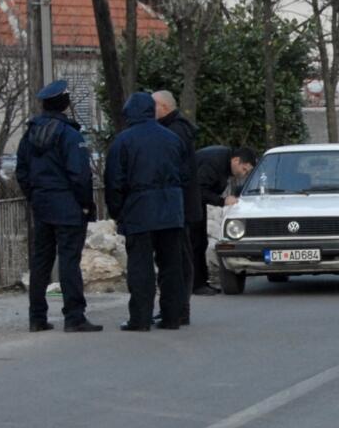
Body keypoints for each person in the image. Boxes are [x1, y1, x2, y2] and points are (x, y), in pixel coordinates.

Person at [16, 80, 103, 333]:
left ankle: (37, 316)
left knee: (41, 261)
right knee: (68, 261)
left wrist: (34, 195)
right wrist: (86, 204)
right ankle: (74, 316)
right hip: (68, 205)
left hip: (42, 205)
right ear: (63, 103)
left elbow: (21, 171)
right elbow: (80, 175)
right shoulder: (70, 134)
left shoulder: (29, 134)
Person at [104, 92, 187, 331]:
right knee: (171, 266)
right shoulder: (172, 138)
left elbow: (114, 182)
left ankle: (140, 318)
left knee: (141, 268)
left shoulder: (123, 141)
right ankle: (172, 316)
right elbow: (185, 173)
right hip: (171, 209)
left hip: (139, 210)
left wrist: (117, 211)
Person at [152, 90, 199, 325]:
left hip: (179, 207)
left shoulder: (175, 131)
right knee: (177, 258)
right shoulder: (179, 128)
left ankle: (179, 308)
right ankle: (177, 307)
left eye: (153, 106)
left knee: (178, 259)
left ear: (163, 107)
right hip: (181, 206)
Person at [195, 145, 256, 293]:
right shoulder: (214, 163)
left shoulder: (223, 161)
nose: (243, 174)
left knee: (200, 241)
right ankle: (197, 285)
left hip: (194, 203)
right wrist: (222, 201)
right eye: (244, 170)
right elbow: (198, 190)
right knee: (195, 242)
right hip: (187, 202)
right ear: (236, 161)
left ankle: (201, 282)